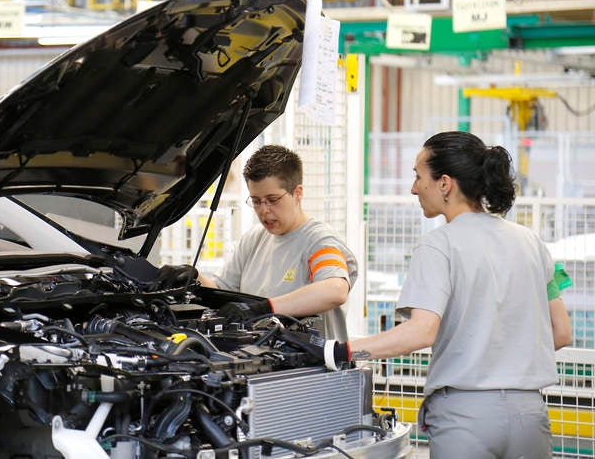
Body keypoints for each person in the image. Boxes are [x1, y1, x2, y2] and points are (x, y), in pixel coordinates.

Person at [324, 131, 572, 459]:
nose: (413, 187)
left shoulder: (439, 245)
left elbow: (421, 331)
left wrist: (341, 351)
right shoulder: (532, 243)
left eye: (417, 176)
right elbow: (562, 332)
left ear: (444, 183)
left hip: (465, 416)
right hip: (530, 413)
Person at [198, 144, 357, 338]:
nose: (264, 210)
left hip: (312, 365)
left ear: (298, 193)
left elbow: (335, 290)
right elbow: (221, 293)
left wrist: (264, 308)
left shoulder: (319, 241)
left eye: (272, 200)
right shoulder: (253, 241)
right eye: (256, 201)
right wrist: (194, 277)